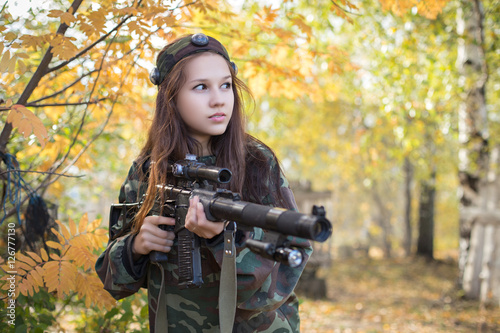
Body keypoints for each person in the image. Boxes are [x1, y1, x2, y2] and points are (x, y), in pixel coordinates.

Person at [95, 33, 312, 333]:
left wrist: (224, 241)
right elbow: (112, 280)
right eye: (200, 87)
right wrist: (136, 247)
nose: (218, 98)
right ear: (171, 98)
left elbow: (290, 263)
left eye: (225, 85)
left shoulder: (257, 162)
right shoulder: (149, 170)